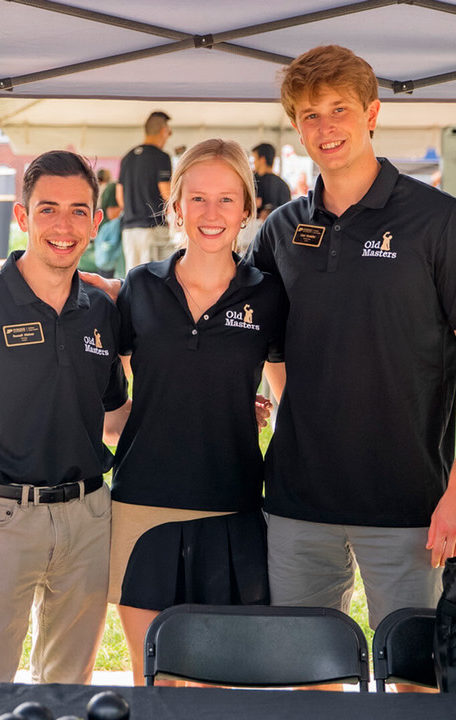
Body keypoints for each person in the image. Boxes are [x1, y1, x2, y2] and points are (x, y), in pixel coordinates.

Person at [246, 45, 456, 649]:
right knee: (308, 673)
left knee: (418, 677)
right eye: (310, 115)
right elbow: (267, 344)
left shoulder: (439, 219)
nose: (325, 127)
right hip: (297, 503)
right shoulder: (281, 230)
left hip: (409, 503)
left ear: (371, 113)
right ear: (295, 126)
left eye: (339, 109)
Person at [0, 150, 128, 684]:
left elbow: (112, 421)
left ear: (97, 220)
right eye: (48, 210)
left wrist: (213, 403)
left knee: (68, 690)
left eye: (80, 211)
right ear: (22, 216)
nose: (64, 226)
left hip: (88, 519)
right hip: (2, 521)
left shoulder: (101, 311)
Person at [99, 139, 287, 684]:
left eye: (227, 200)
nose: (212, 213)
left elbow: (285, 395)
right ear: (175, 206)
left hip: (229, 506)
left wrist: (243, 409)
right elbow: (127, 388)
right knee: (152, 677)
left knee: (213, 681)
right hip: (142, 501)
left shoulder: (269, 295)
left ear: (247, 210)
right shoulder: (139, 287)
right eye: (198, 198)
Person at [117, 111, 173, 272]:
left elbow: (120, 196)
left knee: (132, 276)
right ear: (163, 131)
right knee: (155, 278)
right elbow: (166, 193)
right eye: (169, 133)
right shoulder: (161, 157)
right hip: (153, 227)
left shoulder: (127, 157)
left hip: (129, 228)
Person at [251, 142, 291, 221]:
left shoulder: (253, 182)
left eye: (255, 159)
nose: (254, 163)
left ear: (262, 160)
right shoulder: (283, 185)